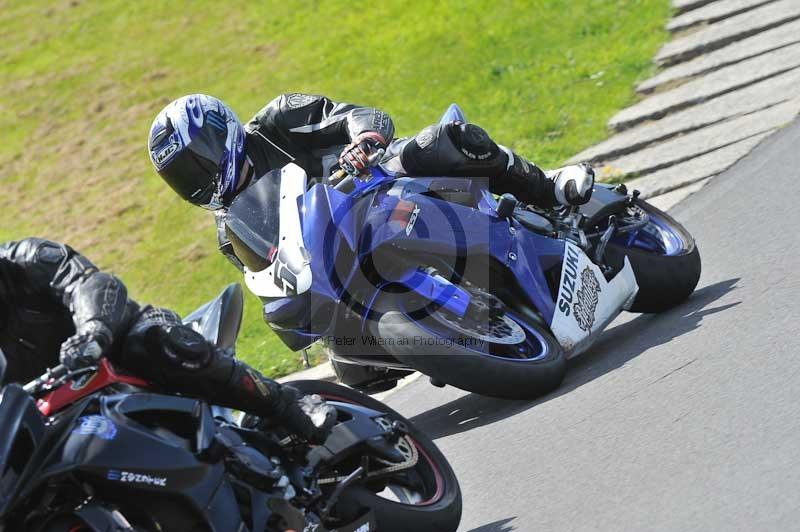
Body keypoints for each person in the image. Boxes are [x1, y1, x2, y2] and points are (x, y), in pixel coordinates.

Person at [147, 93, 595, 270]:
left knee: (448, 141)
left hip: (379, 182)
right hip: (347, 260)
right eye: (182, 176)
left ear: (220, 134)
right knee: (356, 371)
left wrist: (363, 141)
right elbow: (274, 285)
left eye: (197, 163)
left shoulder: (278, 120)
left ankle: (547, 189)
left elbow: (357, 116)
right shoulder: (231, 232)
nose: (197, 180)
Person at [0, 237, 334, 443]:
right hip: (54, 408)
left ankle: (290, 406)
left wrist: (92, 332)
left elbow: (90, 283)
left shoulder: (27, 259)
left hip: (116, 348)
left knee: (162, 344)